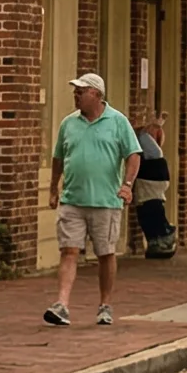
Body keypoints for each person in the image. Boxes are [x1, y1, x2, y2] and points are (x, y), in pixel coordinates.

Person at [47, 72, 142, 327]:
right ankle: (62, 304)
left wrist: (127, 185)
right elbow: (58, 157)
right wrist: (53, 188)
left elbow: (133, 155)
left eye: (82, 91)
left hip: (106, 201)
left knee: (105, 253)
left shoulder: (118, 121)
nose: (76, 95)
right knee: (69, 250)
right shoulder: (69, 123)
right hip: (72, 199)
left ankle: (105, 305)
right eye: (75, 91)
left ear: (97, 95)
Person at [130, 109, 178, 259]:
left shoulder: (145, 141)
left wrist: (155, 126)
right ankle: (158, 240)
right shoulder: (147, 144)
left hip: (151, 177)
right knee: (151, 208)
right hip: (155, 177)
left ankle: (163, 236)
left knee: (150, 208)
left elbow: (151, 146)